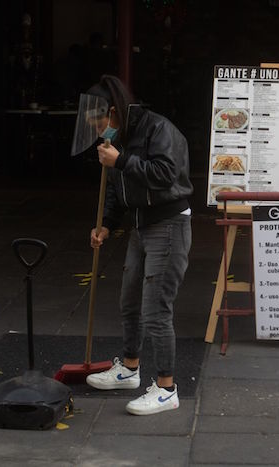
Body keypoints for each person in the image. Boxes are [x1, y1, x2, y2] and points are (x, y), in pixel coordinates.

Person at [78, 75, 193, 415]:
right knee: (130, 301)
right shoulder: (119, 136)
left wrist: (122, 160)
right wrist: (107, 224)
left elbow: (165, 174)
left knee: (156, 311)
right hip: (140, 224)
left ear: (113, 112)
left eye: (99, 123)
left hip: (169, 223)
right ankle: (129, 368)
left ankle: (166, 388)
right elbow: (116, 188)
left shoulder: (159, 129)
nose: (98, 131)